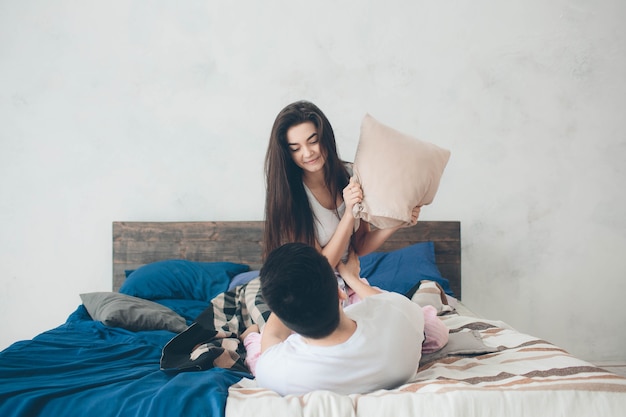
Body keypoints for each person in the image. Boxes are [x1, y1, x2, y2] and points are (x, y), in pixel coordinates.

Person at [252, 242, 426, 396]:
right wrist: (352, 278)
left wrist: (286, 298)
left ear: (281, 316)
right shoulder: (403, 315)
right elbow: (386, 302)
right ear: (340, 292)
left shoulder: (274, 373)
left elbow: (273, 335)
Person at [263, 100, 421, 269]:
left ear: (325, 137)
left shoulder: (351, 175)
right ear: (287, 153)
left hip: (348, 279)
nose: (308, 153)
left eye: (313, 141)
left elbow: (360, 244)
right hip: (313, 284)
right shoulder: (289, 197)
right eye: (296, 148)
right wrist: (349, 213)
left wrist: (398, 222)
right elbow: (320, 266)